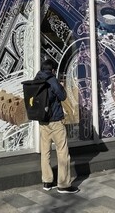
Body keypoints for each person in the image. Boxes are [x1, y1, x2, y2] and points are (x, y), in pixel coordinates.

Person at [34, 59, 79, 194]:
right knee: (62, 151)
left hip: (43, 121)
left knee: (45, 152)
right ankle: (63, 185)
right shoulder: (52, 80)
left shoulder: (36, 79)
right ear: (53, 70)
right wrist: (60, 85)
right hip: (55, 121)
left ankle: (47, 181)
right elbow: (63, 96)